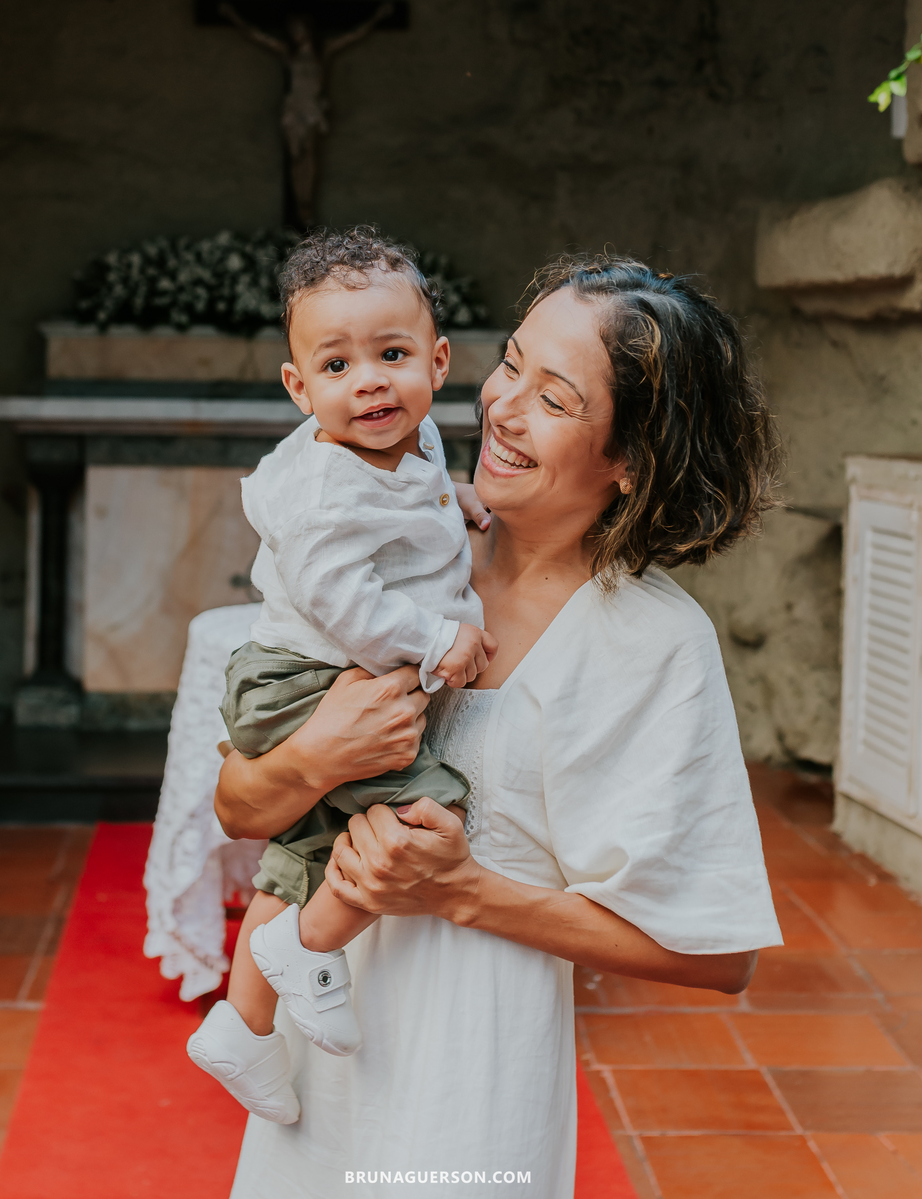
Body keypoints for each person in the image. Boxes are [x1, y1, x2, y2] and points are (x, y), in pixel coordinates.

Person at [214, 253, 785, 1197]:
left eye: (554, 398)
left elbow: (719, 953)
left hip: (471, 1080)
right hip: (314, 1068)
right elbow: (239, 804)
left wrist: (464, 891)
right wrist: (316, 755)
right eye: (511, 365)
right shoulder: (399, 553)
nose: (503, 408)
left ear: (632, 457)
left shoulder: (650, 641)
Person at [188, 229, 497, 1122]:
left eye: (392, 355)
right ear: (299, 387)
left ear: (438, 362)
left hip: (309, 674)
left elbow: (417, 496)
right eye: (337, 364)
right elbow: (345, 603)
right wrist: (437, 639)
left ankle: (242, 1028)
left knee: (305, 850)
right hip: (301, 681)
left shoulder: (410, 436)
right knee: (425, 810)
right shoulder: (327, 490)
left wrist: (456, 500)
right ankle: (309, 944)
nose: (370, 381)